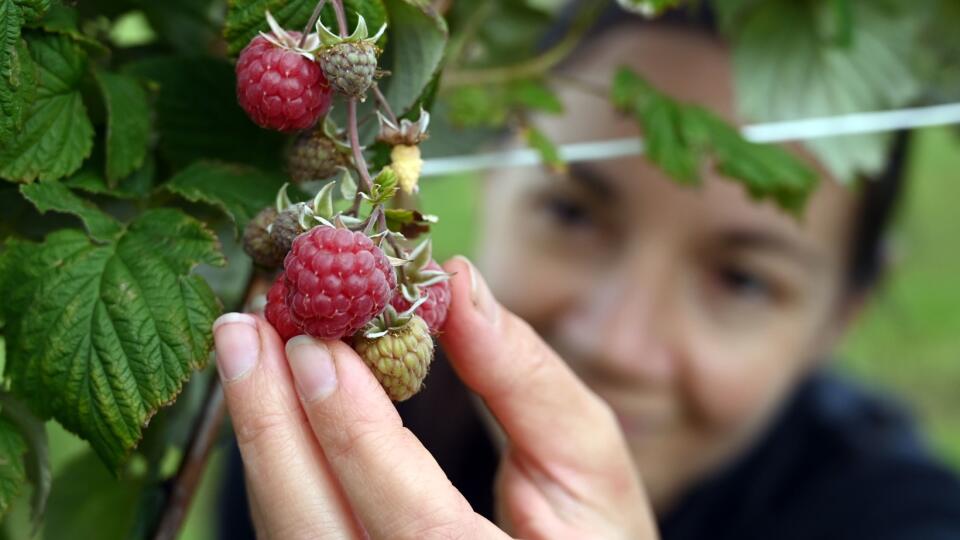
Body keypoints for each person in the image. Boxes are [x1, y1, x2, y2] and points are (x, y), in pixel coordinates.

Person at [213, 10, 960, 540]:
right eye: (572, 215)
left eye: (743, 280)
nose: (617, 343)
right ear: (490, 176)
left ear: (843, 316)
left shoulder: (901, 517)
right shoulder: (326, 433)